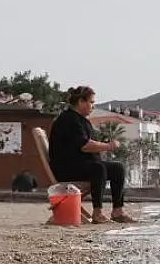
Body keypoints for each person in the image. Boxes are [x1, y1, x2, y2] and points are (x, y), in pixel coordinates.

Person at [48, 85, 135, 223]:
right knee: (98, 168)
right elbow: (85, 146)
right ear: (81, 101)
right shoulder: (69, 120)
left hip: (80, 166)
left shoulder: (80, 120)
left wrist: (103, 146)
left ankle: (117, 211)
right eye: (91, 102)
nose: (93, 106)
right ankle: (97, 213)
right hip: (66, 169)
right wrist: (108, 146)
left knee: (117, 168)